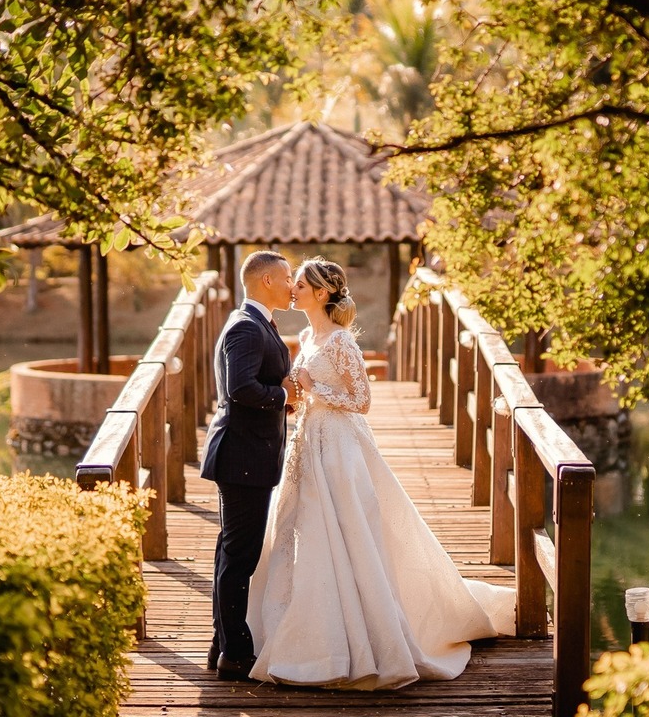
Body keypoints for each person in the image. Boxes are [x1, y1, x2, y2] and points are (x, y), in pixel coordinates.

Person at [247, 257, 515, 690]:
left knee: (348, 529)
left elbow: (361, 401)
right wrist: (299, 400)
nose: (291, 289)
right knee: (305, 531)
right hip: (308, 442)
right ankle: (306, 639)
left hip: (340, 448)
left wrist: (315, 390)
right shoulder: (304, 335)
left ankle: (366, 638)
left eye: (298, 284)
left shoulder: (340, 342)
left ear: (320, 293)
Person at [200, 250, 297, 682]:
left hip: (248, 454)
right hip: (242, 456)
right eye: (288, 276)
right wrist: (284, 397)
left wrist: (281, 401)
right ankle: (235, 654)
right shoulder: (246, 326)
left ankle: (222, 643)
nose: (293, 283)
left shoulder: (257, 322)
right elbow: (240, 388)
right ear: (266, 282)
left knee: (232, 550)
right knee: (240, 556)